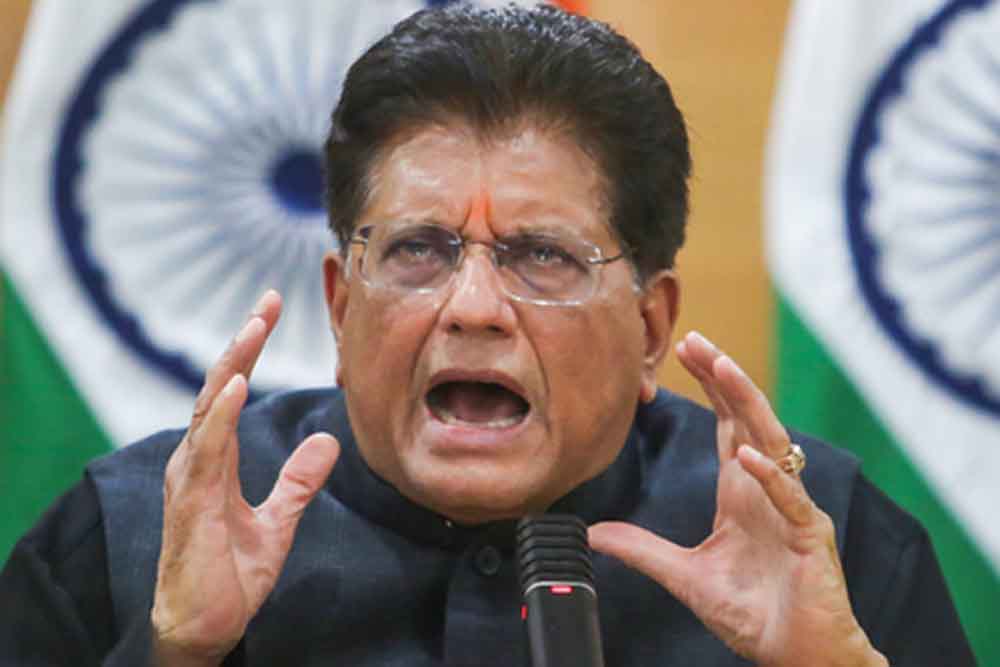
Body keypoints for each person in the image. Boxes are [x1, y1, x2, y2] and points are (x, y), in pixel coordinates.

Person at [0, 4, 975, 666]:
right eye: (418, 249)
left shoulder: (823, 542)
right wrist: (173, 651)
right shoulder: (137, 534)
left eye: (541, 255)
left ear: (650, 327)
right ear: (340, 307)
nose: (472, 306)